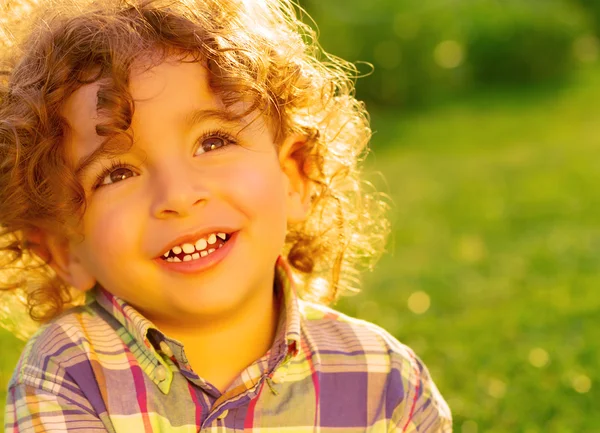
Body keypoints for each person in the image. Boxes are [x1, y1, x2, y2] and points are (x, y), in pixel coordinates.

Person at [0, 0, 452, 431]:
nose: (178, 195)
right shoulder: (70, 373)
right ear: (62, 249)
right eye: (116, 173)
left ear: (294, 174)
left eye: (212, 142)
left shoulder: (386, 384)